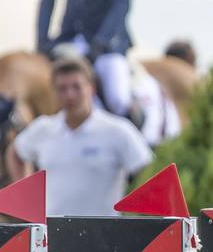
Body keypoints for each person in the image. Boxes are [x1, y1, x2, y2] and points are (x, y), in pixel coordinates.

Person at [10, 56, 153, 217]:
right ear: (54, 92)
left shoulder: (118, 130)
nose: (70, 95)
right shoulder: (43, 128)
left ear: (91, 88)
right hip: (54, 234)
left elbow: (148, 170)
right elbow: (15, 152)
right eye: (62, 89)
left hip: (104, 235)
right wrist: (25, 200)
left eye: (76, 87)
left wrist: (138, 215)